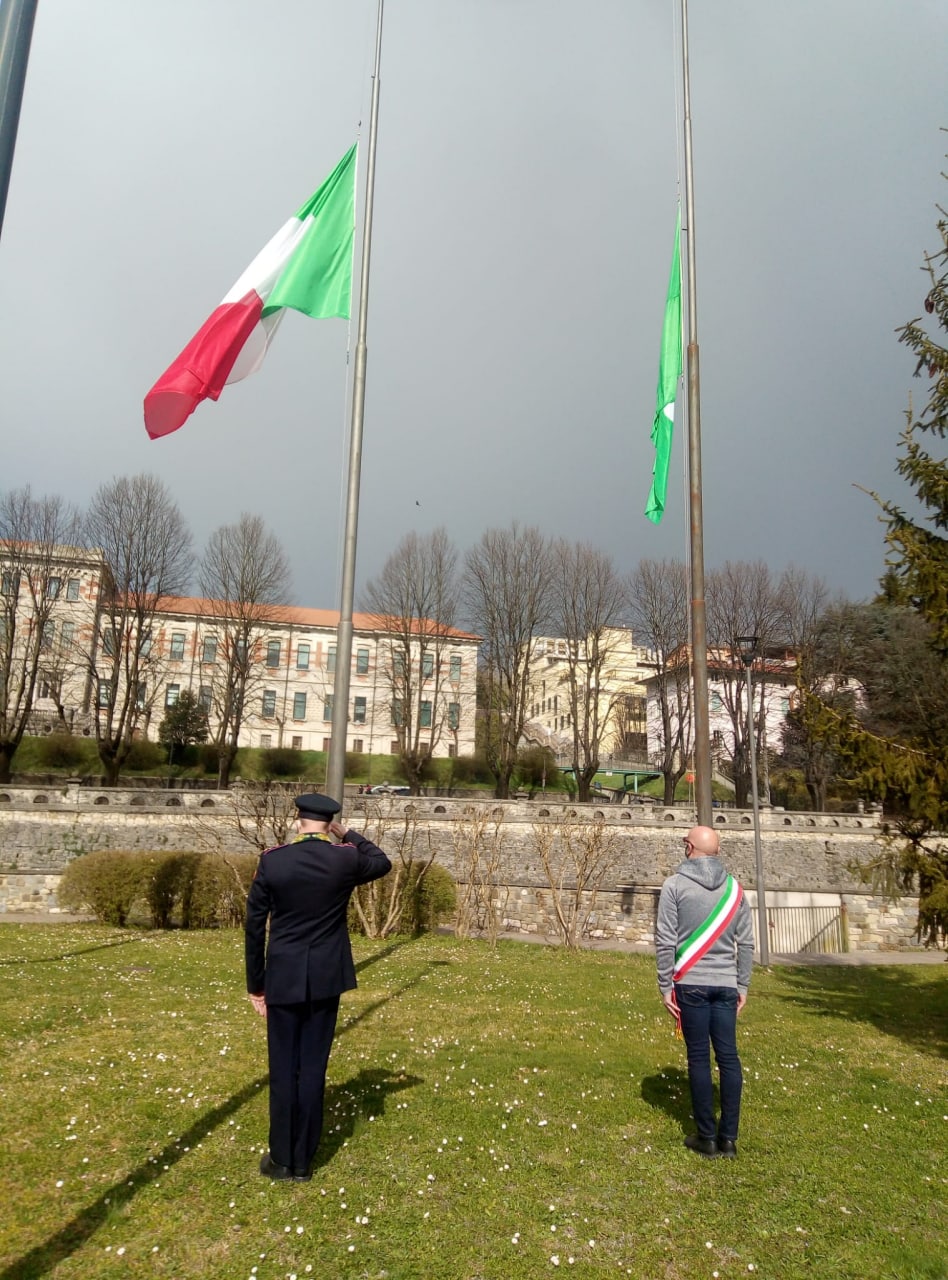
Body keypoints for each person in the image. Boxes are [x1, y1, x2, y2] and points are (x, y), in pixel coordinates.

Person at [245, 792, 392, 1182]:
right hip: (326, 978)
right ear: (329, 824)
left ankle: (281, 1159)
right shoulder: (345, 858)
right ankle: (304, 1161)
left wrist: (256, 985)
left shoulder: (273, 860)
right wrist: (351, 835)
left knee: (283, 1068)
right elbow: (382, 862)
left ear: (298, 821)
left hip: (283, 976)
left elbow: (254, 927)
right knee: (312, 1068)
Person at [655, 824, 754, 1159]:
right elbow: (747, 944)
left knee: (698, 1058)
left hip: (691, 983)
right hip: (726, 984)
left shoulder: (674, 886)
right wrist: (742, 984)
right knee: (728, 1057)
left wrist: (665, 985)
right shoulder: (736, 891)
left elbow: (666, 940)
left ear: (689, 847)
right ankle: (729, 1138)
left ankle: (706, 1138)